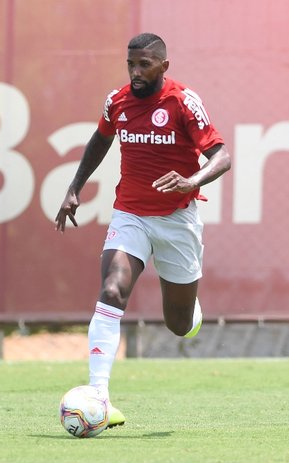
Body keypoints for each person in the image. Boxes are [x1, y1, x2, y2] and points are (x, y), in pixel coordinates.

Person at [55, 33, 231, 427]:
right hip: (129, 215)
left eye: (145, 65)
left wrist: (192, 181)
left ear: (163, 66)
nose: (135, 72)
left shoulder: (183, 102)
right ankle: (99, 394)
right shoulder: (117, 101)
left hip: (177, 218)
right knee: (112, 288)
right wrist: (74, 188)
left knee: (179, 324)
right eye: (131, 64)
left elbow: (222, 156)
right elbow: (100, 140)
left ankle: (190, 310)